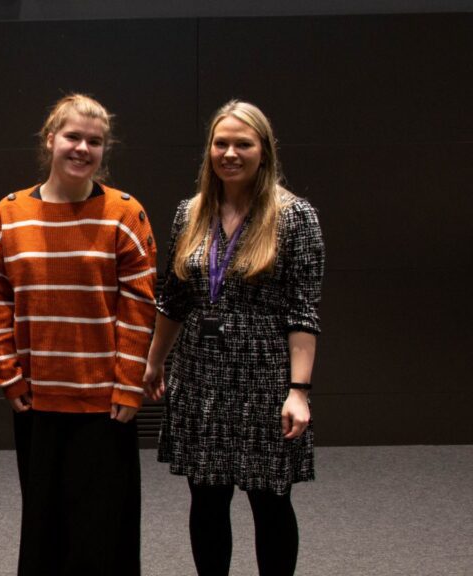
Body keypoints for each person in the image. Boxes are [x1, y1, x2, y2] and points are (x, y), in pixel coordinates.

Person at [143, 100, 325, 576]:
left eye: (243, 144)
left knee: (269, 500)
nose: (230, 153)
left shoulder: (294, 217)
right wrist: (154, 362)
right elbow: (173, 300)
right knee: (206, 498)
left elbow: (302, 313)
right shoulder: (190, 213)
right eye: (221, 143)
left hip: (265, 379)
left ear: (264, 151)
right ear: (209, 151)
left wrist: (299, 392)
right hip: (200, 374)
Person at [0, 94, 156, 575]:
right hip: (37, 401)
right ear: (50, 140)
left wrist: (128, 384)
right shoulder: (10, 212)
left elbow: (138, 309)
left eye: (94, 141)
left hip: (104, 405)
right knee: (45, 529)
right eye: (73, 137)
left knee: (103, 532)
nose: (83, 148)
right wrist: (8, 374)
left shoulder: (125, 213)